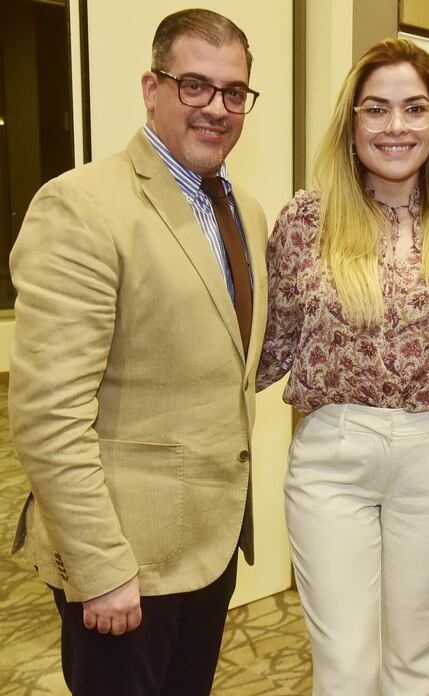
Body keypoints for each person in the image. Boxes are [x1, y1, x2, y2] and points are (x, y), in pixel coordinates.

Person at [9, 9, 267, 696]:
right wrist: (100, 567)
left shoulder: (245, 211)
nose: (216, 107)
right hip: (124, 564)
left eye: (233, 91)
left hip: (209, 547)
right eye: (195, 85)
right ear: (152, 88)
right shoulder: (81, 206)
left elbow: (228, 363)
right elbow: (48, 415)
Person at [256, 38, 429, 696]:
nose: (396, 126)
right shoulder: (305, 221)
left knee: (418, 661)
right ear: (352, 120)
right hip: (333, 455)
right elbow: (267, 346)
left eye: (415, 108)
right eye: (377, 108)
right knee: (346, 665)